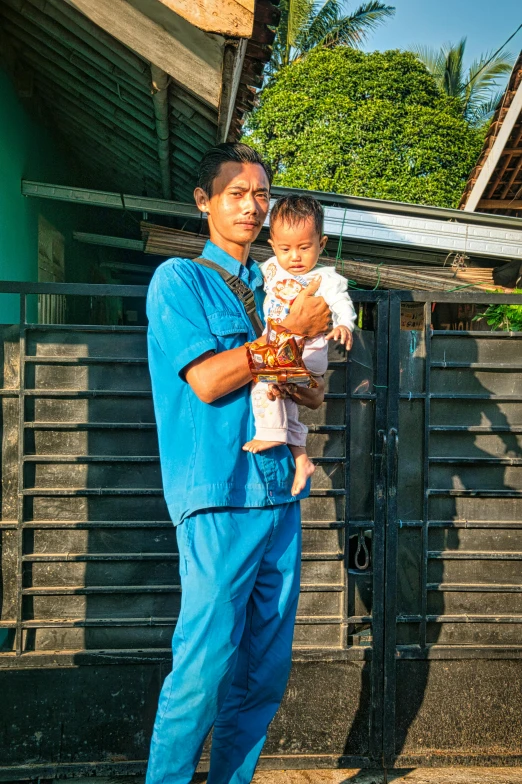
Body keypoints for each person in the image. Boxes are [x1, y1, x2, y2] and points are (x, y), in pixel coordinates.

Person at [145, 142, 331, 784]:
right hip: (219, 497)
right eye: (236, 193)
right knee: (204, 668)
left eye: (261, 195)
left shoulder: (278, 283)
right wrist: (285, 336)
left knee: (263, 672)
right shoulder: (179, 280)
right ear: (205, 202)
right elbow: (206, 379)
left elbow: (311, 392)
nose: (253, 207)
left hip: (279, 496)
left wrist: (306, 375)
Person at [243, 194, 356, 496]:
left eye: (305, 248)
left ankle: (271, 434)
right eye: (285, 248)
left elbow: (342, 303)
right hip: (292, 351)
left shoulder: (325, 278)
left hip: (308, 351)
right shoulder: (269, 270)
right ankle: (301, 458)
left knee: (261, 386)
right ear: (272, 247)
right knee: (287, 401)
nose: (294, 257)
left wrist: (344, 324)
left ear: (322, 244)